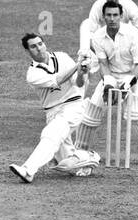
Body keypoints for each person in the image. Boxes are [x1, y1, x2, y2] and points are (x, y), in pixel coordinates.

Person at [9, 33, 101, 183]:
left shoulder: (62, 57)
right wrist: (78, 65)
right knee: (67, 163)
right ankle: (89, 157)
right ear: (27, 51)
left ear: (44, 44)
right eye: (33, 46)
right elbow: (57, 80)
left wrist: (82, 72)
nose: (38, 48)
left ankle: (28, 170)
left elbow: (78, 84)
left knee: (50, 134)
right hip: (52, 112)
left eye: (40, 44)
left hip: (73, 106)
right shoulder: (32, 74)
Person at [90, 3, 138, 165]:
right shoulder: (98, 37)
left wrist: (128, 84)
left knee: (134, 114)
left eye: (115, 15)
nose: (112, 18)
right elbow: (103, 64)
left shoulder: (133, 34)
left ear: (121, 16)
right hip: (112, 75)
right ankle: (80, 151)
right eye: (108, 15)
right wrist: (108, 83)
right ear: (104, 17)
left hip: (136, 77)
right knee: (91, 111)